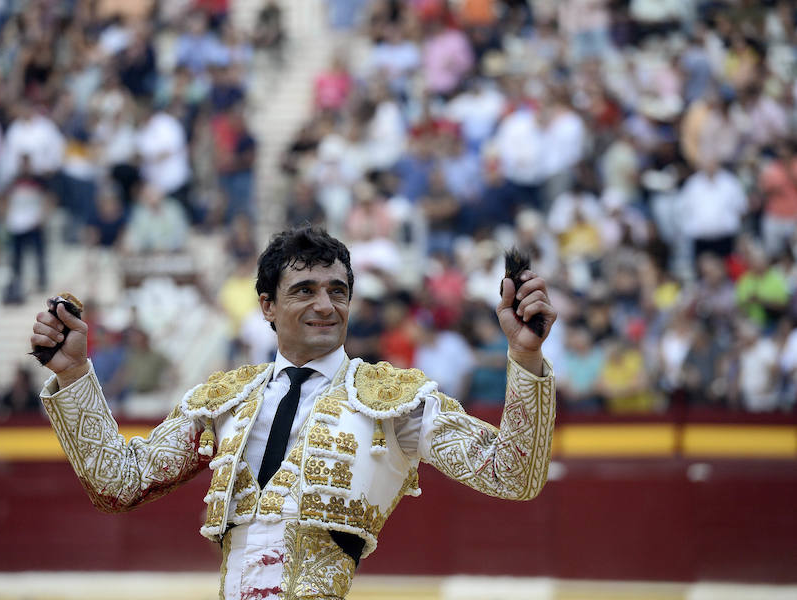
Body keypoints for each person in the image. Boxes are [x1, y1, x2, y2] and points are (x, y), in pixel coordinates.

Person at [30, 227, 556, 599]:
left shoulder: (393, 401)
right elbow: (119, 484)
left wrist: (525, 358)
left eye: (337, 291)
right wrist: (74, 375)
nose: (325, 306)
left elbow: (513, 474)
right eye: (304, 291)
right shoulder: (225, 399)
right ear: (267, 305)